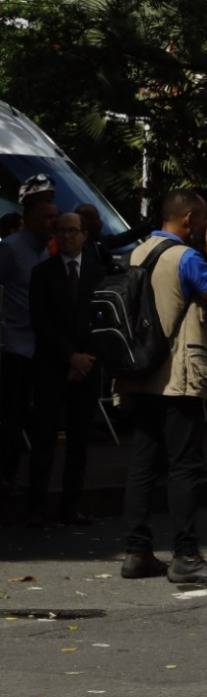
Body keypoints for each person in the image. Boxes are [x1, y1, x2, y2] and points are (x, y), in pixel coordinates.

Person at [118, 189, 207, 584]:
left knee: (141, 465)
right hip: (175, 377)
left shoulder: (136, 253)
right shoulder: (186, 258)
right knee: (183, 466)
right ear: (188, 220)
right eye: (202, 219)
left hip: (137, 375)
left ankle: (137, 551)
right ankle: (185, 556)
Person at [24, 210, 102, 526]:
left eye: (74, 231)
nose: (68, 237)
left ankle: (71, 505)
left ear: (85, 234)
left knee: (79, 440)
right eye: (63, 231)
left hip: (87, 366)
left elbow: (103, 319)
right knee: (44, 437)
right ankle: (36, 506)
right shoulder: (43, 273)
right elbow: (41, 321)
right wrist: (70, 356)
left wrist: (86, 358)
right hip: (53, 364)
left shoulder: (98, 272)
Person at [0, 175, 58, 501]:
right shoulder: (11, 250)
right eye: (46, 218)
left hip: (43, 348)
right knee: (13, 415)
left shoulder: (49, 253)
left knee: (42, 420)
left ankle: (34, 486)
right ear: (30, 219)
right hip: (16, 346)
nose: (52, 223)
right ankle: (6, 476)